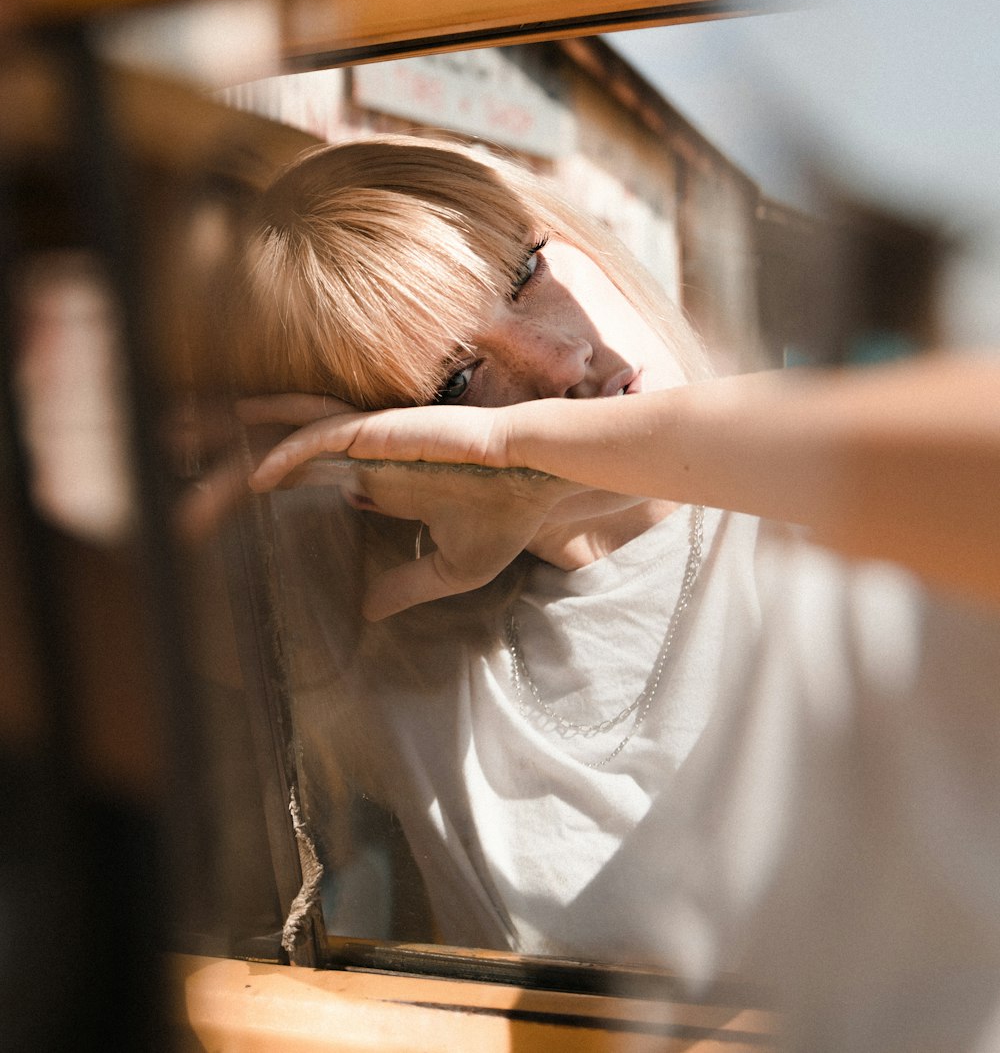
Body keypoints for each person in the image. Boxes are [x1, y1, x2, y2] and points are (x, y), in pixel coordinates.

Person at [238, 133, 1000, 1053]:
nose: (560, 356)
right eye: (459, 377)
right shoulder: (397, 653)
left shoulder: (842, 533)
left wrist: (512, 446)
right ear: (380, 457)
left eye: (526, 271)